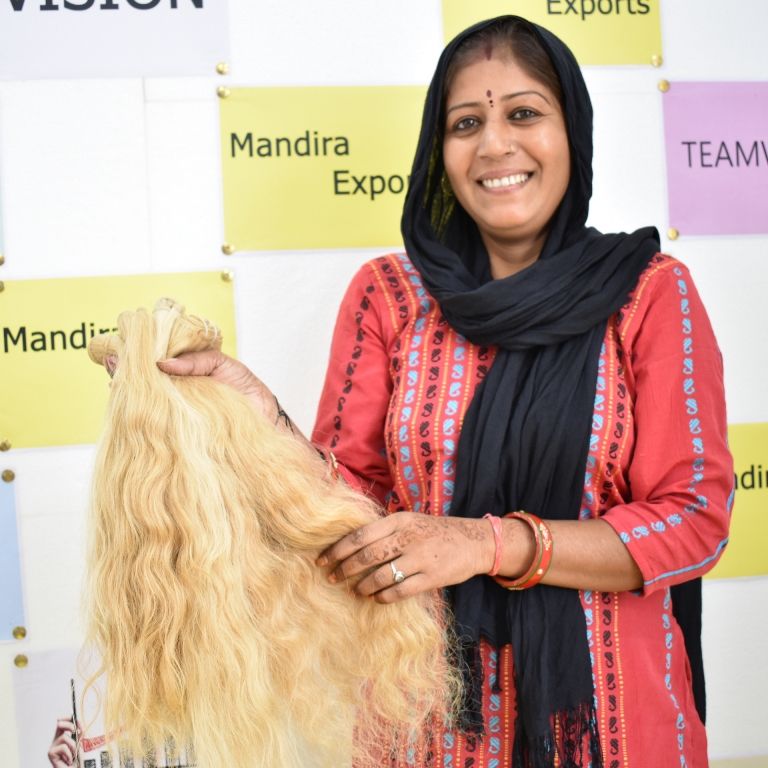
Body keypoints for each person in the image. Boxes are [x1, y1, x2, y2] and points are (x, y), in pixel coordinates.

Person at [143, 15, 732, 768]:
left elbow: (694, 520)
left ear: (572, 132)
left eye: (524, 112)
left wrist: (488, 544)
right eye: (466, 124)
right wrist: (259, 420)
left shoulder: (648, 295)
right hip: (426, 723)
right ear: (438, 149)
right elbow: (346, 508)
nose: (495, 145)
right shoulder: (391, 295)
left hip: (610, 723)